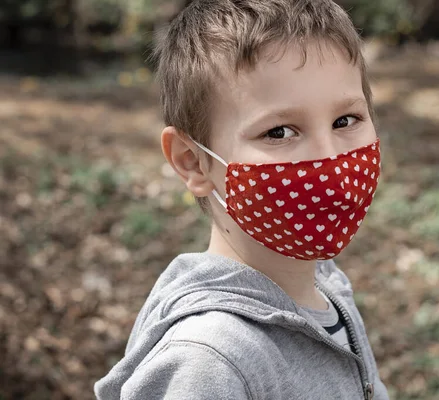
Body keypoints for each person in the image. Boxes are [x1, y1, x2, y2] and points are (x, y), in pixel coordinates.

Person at [94, 0, 388, 399]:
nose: (328, 158)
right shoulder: (209, 362)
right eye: (279, 132)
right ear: (193, 162)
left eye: (345, 121)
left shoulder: (327, 285)